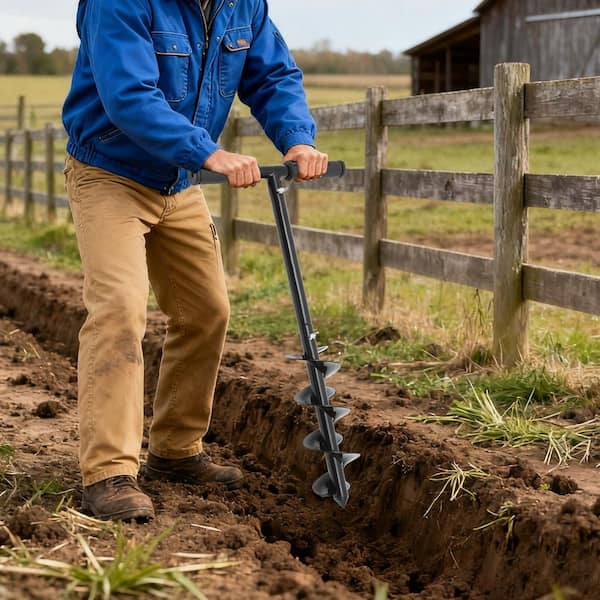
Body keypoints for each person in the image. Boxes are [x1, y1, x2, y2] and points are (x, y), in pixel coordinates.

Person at [62, 0, 328, 522]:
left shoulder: (243, 5)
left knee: (206, 311)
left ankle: (175, 452)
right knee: (119, 310)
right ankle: (108, 473)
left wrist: (297, 138)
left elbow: (273, 75)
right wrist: (207, 152)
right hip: (110, 173)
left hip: (179, 180)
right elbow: (128, 95)